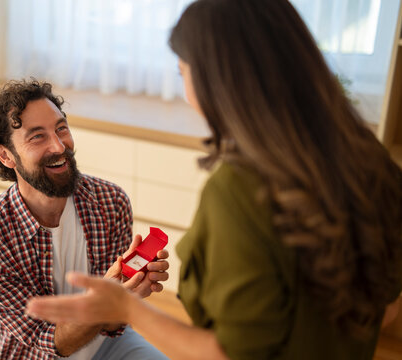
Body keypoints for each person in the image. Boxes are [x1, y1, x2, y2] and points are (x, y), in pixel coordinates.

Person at [24, 1, 402, 359]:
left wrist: (126, 309)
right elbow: (387, 308)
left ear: (217, 78)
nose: (187, 94)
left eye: (183, 74)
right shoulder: (370, 159)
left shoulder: (240, 190)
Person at [0, 79, 171, 360]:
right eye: (37, 136)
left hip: (107, 344)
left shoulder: (111, 201)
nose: (59, 146)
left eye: (61, 129)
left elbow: (114, 324)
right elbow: (53, 345)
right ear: (5, 155)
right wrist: (106, 301)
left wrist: (127, 296)